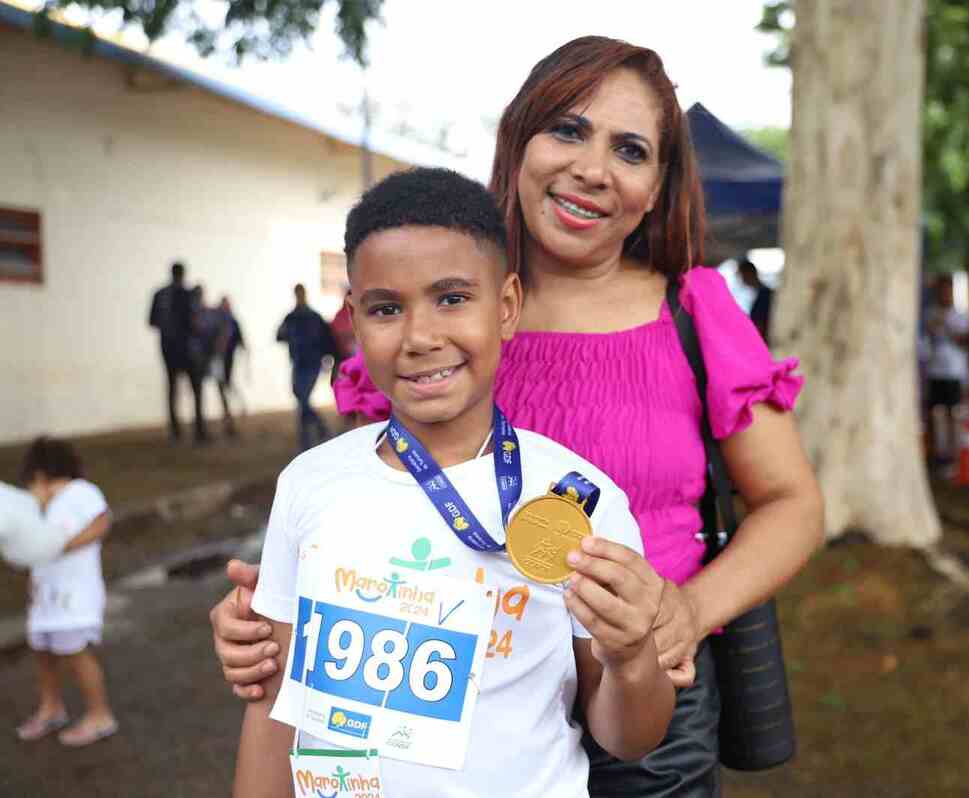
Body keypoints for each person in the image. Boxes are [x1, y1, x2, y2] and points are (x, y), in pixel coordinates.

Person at [213, 36, 824, 797]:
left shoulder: (695, 311)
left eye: (630, 150)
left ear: (658, 183)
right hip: (455, 694)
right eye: (568, 129)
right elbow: (356, 511)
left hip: (642, 696)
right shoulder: (437, 312)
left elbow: (793, 504)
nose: (593, 169)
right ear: (519, 137)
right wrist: (267, 621)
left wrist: (684, 612)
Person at [232, 168, 674, 796]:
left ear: (507, 307)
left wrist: (631, 658)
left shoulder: (580, 498)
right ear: (355, 322)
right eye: (387, 309)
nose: (420, 337)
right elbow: (274, 702)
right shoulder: (309, 484)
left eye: (452, 298)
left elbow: (628, 737)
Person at [15, 437, 119, 747]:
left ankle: (100, 715)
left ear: (41, 474)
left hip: (75, 596)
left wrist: (62, 546)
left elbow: (102, 523)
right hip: (46, 597)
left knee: (77, 653)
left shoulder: (80, 492)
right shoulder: (40, 506)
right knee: (43, 652)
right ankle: (51, 708)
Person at [148, 261, 207, 444]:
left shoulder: (159, 294)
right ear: (183, 274)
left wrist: (168, 329)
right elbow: (196, 323)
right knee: (196, 388)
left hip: (168, 348)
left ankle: (175, 432)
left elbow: (152, 321)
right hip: (188, 349)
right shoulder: (189, 295)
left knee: (172, 388)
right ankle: (198, 431)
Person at [275, 283, 335, 450]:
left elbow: (327, 339)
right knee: (302, 399)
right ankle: (318, 431)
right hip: (298, 363)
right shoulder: (292, 317)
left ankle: (307, 440)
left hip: (312, 363)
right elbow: (279, 335)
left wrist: (327, 359)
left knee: (302, 400)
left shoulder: (313, 317)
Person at [923, 275, 969, 473]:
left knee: (954, 413)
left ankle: (955, 453)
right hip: (935, 371)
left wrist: (948, 328)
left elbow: (965, 341)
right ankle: (939, 453)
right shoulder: (929, 315)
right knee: (936, 413)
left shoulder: (960, 316)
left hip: (954, 372)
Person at [191, 285, 237, 438]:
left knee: (218, 389)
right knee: (206, 392)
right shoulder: (203, 314)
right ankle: (205, 428)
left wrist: (219, 347)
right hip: (205, 358)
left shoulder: (210, 313)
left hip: (211, 358)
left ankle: (227, 424)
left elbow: (227, 328)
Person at [215, 296, 246, 423]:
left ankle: (234, 408)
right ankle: (228, 411)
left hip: (228, 358)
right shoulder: (218, 320)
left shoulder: (232, 321)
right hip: (218, 358)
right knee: (222, 384)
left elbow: (240, 339)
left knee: (226, 383)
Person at [736, 256, 774, 344]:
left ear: (749, 273)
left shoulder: (765, 294)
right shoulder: (762, 293)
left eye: (741, 275)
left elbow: (760, 323)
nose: (741, 279)